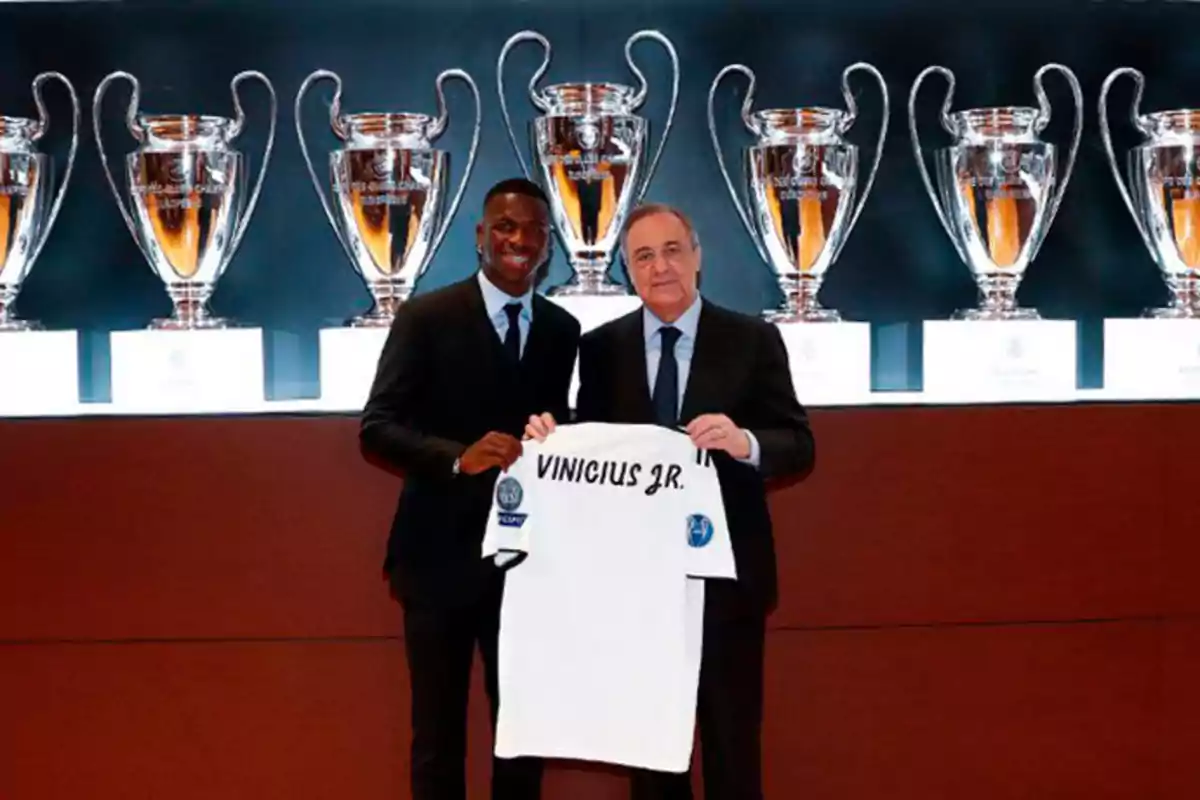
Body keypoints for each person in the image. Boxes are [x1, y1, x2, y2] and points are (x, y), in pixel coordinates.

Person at [525, 202, 815, 800]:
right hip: (639, 590)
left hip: (728, 584)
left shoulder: (754, 339)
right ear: (628, 271)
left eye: (673, 251)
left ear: (698, 257)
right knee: (655, 760)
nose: (661, 268)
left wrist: (745, 443)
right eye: (644, 257)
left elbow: (799, 445)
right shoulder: (602, 348)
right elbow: (595, 451)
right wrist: (552, 443)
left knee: (733, 751)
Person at [361, 177, 581, 800]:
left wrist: (559, 436)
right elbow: (377, 427)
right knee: (437, 739)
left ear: (548, 246)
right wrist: (459, 459)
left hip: (528, 568)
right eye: (506, 227)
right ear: (481, 236)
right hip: (436, 562)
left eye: (535, 229)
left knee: (521, 739)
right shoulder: (426, 317)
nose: (519, 240)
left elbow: (559, 430)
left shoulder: (563, 331)